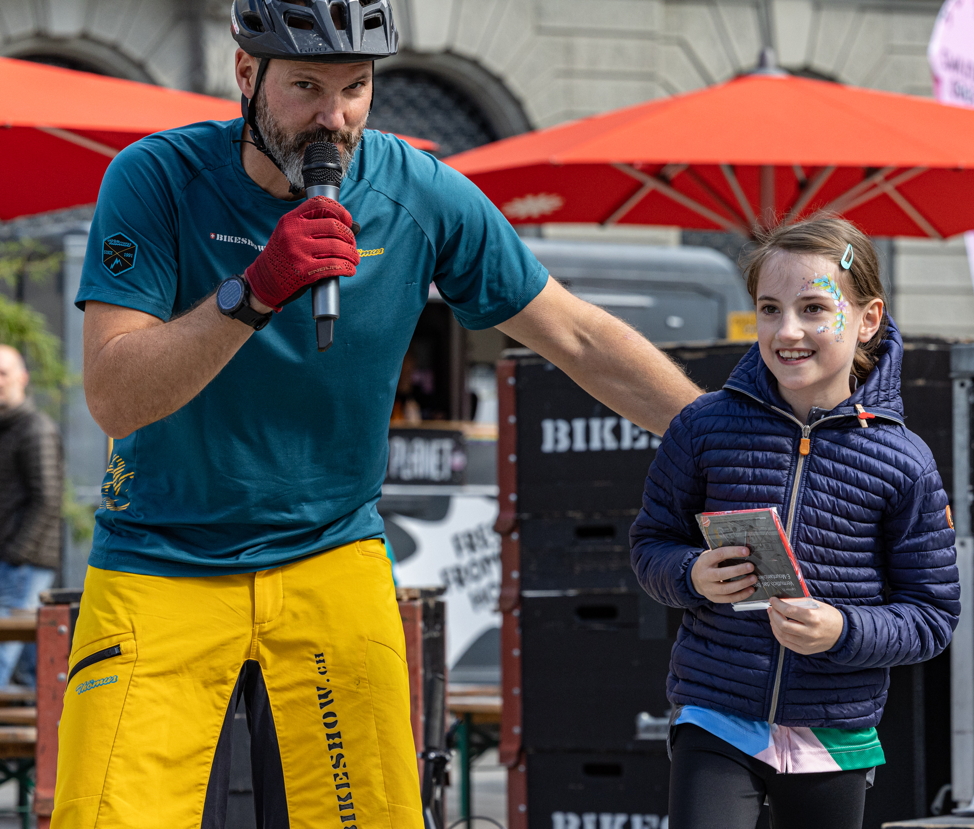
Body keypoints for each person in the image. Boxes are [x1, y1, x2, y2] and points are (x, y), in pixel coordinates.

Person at [56, 1, 700, 827]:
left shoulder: (417, 190)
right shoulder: (156, 178)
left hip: (329, 549)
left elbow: (575, 334)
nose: (334, 117)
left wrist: (726, 435)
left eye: (355, 87)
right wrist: (254, 292)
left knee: (374, 811)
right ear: (246, 74)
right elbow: (114, 396)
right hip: (159, 552)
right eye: (306, 87)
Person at [630, 217, 960, 829]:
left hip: (835, 729)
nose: (787, 331)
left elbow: (932, 617)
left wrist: (842, 630)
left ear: (868, 319)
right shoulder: (703, 428)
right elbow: (651, 543)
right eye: (769, 309)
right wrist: (691, 574)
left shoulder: (905, 461)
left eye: (814, 308)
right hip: (716, 712)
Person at [0, 345, 62, 690]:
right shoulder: (7, 427)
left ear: (23, 378)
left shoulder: (35, 428)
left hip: (22, 566)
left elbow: (48, 500)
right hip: (11, 563)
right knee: (28, 674)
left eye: (3, 372)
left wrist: (16, 556)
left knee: (4, 653)